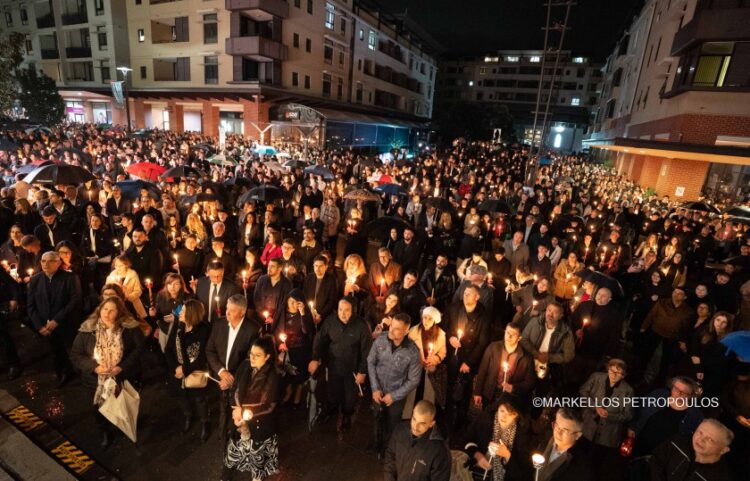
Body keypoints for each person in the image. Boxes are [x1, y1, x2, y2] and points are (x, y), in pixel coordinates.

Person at [69, 296, 144, 448]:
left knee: (121, 404)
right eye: (104, 309)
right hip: (95, 382)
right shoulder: (88, 329)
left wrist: (121, 367)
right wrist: (94, 367)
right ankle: (105, 432)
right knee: (100, 409)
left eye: (112, 310)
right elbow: (76, 354)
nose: (107, 313)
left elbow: (138, 349)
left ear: (119, 313)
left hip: (121, 377)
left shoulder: (128, 328)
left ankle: (124, 425)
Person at [309, 298, 371, 434]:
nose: (343, 314)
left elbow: (367, 351)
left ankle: (347, 416)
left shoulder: (361, 326)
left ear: (353, 310)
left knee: (349, 398)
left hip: (352, 370)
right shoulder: (330, 321)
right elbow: (319, 340)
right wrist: (315, 358)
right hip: (334, 366)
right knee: (333, 392)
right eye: (340, 309)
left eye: (347, 310)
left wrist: (363, 371)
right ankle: (331, 410)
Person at [205, 294, 260, 441]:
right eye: (227, 309)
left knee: (236, 408)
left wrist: (232, 379)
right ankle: (223, 434)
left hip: (240, 380)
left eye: (232, 311)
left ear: (242, 312)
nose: (227, 313)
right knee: (222, 405)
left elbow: (250, 361)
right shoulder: (219, 325)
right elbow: (210, 350)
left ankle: (235, 435)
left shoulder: (253, 329)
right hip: (221, 377)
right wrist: (222, 372)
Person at [368, 313, 423, 457]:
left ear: (406, 331)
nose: (391, 331)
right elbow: (371, 361)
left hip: (396, 396)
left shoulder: (413, 352)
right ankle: (376, 445)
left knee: (392, 425)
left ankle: (387, 450)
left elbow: (414, 380)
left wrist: (394, 396)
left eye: (397, 329)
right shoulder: (380, 340)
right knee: (377, 419)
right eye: (391, 325)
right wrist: (375, 388)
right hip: (378, 391)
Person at [27, 251, 82, 386]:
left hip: (66, 322)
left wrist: (56, 320)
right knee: (56, 351)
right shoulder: (35, 279)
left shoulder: (70, 277)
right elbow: (30, 305)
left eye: (51, 261)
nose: (46, 264)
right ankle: (64, 372)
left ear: (58, 263)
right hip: (45, 326)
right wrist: (39, 326)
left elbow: (75, 300)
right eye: (43, 261)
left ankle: (77, 373)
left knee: (71, 349)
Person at [578, 359, 634, 480]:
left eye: (618, 373)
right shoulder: (596, 377)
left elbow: (628, 415)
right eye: (612, 370)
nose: (614, 375)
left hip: (607, 434)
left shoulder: (628, 391)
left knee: (595, 463)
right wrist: (595, 407)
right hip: (588, 426)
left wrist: (610, 415)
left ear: (623, 376)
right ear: (608, 369)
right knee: (579, 455)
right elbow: (583, 391)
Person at [164, 299, 211, 442]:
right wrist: (176, 368)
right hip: (177, 371)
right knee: (182, 396)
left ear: (192, 313)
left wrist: (185, 369)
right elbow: (168, 350)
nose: (180, 313)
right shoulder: (179, 325)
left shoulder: (204, 329)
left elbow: (202, 356)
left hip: (195, 371)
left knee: (199, 398)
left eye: (183, 311)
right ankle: (188, 416)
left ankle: (204, 422)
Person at [461, 398, 533, 480]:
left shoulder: (521, 435)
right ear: (497, 408)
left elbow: (524, 473)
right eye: (502, 411)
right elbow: (466, 440)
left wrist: (507, 455)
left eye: (510, 414)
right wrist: (477, 455)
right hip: (476, 473)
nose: (504, 417)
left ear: (516, 415)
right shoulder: (484, 420)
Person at [473, 321, 536, 409]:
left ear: (519, 338)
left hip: (510, 399)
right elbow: (483, 370)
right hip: (490, 393)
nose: (509, 336)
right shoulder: (493, 347)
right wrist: (478, 392)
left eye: (513, 334)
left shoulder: (526, 357)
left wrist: (513, 388)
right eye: (507, 332)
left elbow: (530, 382)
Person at [384, 400, 450, 481]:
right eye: (414, 419)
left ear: (431, 424)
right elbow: (390, 455)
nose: (415, 426)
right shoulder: (400, 430)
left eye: (422, 423)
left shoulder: (440, 451)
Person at [649, 419, 733, 481]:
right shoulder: (676, 442)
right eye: (700, 432)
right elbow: (656, 461)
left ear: (723, 450)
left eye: (710, 439)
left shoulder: (720, 477)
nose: (701, 440)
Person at [403, 307, 447, 420]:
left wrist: (435, 358)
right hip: (415, 366)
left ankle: (426, 417)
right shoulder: (414, 331)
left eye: (429, 318)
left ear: (434, 320)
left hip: (430, 368)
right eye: (425, 317)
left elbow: (443, 352)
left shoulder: (441, 334)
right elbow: (407, 348)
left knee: (429, 392)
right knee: (411, 391)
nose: (426, 321)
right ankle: (406, 416)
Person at [273, 289, 314, 406]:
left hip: (301, 348)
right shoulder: (282, 313)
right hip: (286, 348)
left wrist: (302, 314)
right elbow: (276, 329)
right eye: (291, 301)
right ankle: (289, 390)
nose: (293, 304)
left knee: (299, 373)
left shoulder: (304, 314)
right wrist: (279, 343)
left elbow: (307, 330)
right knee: (287, 373)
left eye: (296, 302)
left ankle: (298, 391)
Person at [535, 408, 595, 481]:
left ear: (577, 435)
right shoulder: (543, 444)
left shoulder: (581, 465)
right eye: (557, 426)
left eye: (565, 431)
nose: (558, 433)